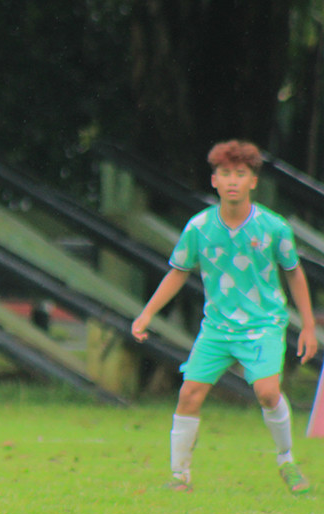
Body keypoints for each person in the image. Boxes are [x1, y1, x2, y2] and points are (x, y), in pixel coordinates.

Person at [131, 139, 317, 494]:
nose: (233, 180)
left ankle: (287, 460)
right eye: (225, 173)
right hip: (217, 328)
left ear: (253, 181)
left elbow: (293, 272)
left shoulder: (273, 227)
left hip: (263, 325)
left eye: (240, 174)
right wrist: (147, 314)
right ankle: (180, 476)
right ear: (214, 180)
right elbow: (178, 272)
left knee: (267, 392)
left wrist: (308, 325)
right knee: (189, 394)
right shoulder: (199, 227)